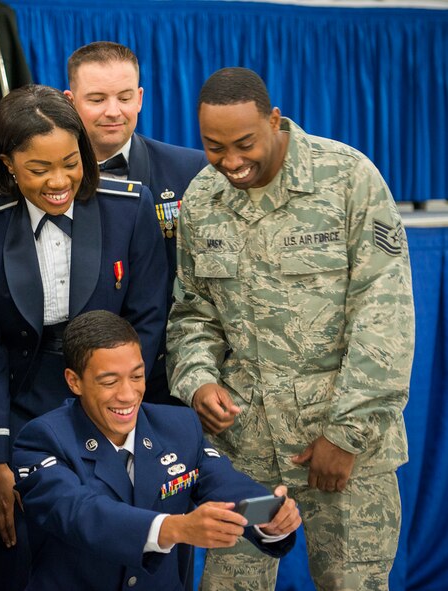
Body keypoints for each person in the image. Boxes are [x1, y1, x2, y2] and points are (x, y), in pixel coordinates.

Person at [167, 67, 413, 590]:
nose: (231, 162)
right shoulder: (203, 199)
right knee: (230, 585)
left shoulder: (347, 178)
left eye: (244, 144)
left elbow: (384, 315)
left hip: (342, 447)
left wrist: (346, 435)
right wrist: (198, 381)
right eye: (214, 147)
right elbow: (192, 313)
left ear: (274, 120)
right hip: (244, 450)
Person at [0, 84, 170, 590]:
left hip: (110, 400)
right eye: (39, 169)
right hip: (22, 408)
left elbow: (148, 318)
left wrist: (119, 401)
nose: (59, 182)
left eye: (71, 163)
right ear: (8, 164)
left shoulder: (129, 208)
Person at [13, 310, 301, 591]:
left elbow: (226, 485)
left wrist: (270, 515)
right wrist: (175, 528)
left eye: (137, 376)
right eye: (110, 381)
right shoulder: (42, 441)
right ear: (74, 381)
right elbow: (80, 513)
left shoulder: (179, 427)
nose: (128, 395)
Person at [65, 41, 209, 403]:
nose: (113, 111)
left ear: (141, 98)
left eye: (125, 97)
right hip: (73, 376)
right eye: (97, 99)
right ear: (70, 102)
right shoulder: (47, 179)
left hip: (168, 377)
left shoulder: (191, 171)